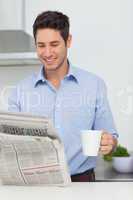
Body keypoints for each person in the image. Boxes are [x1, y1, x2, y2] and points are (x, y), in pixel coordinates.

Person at [8, 10, 118, 182]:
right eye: (41, 45)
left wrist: (110, 144)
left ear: (68, 41)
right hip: (34, 185)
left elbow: (110, 139)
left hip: (83, 184)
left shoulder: (94, 85)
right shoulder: (19, 90)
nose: (47, 53)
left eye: (54, 44)